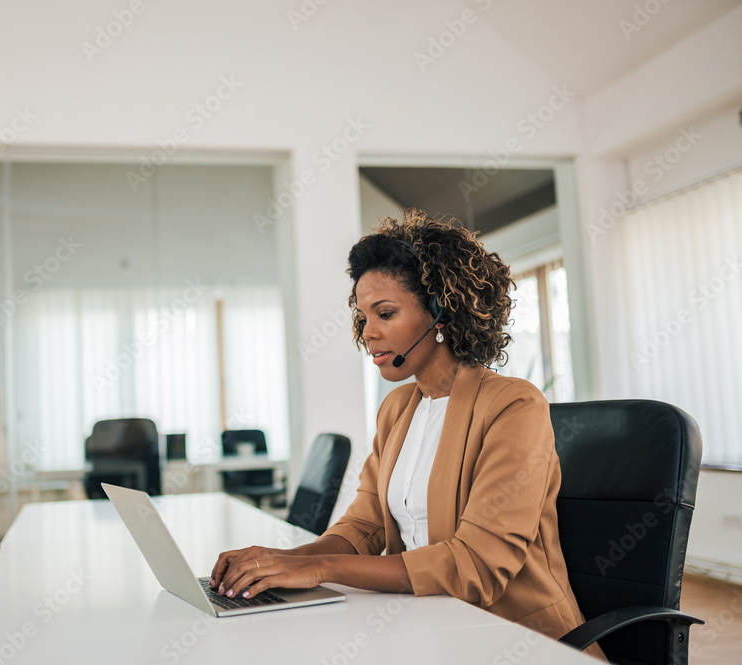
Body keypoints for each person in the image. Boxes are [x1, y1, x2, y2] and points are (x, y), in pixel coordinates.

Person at [209, 208, 604, 659]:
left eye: (385, 313)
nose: (368, 332)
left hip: (515, 638)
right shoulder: (397, 409)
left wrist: (318, 569)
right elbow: (364, 525)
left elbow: (475, 566)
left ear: (441, 313)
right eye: (363, 316)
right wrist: (281, 562)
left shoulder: (514, 406)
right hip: (428, 626)